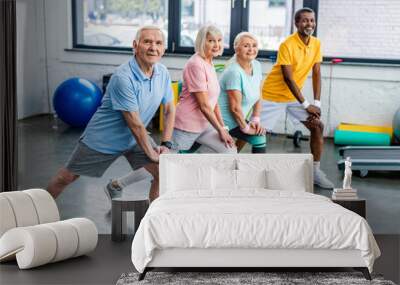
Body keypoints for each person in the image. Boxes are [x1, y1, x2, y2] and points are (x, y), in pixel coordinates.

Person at [47, 26, 175, 203]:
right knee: (66, 178)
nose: (153, 47)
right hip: (104, 139)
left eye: (158, 43)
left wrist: (166, 143)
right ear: (135, 46)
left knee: (163, 174)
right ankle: (35, 212)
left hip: (135, 139)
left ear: (163, 49)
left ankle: (153, 222)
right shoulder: (123, 77)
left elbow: (169, 109)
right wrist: (152, 155)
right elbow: (134, 123)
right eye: (147, 42)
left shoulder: (163, 73)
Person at [104, 25, 236, 197]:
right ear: (202, 42)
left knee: (229, 150)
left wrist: (223, 128)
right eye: (211, 41)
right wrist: (220, 129)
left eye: (219, 41)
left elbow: (214, 102)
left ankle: (209, 190)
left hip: (204, 125)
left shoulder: (210, 63)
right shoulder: (196, 64)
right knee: (161, 166)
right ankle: (116, 184)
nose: (216, 45)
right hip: (186, 126)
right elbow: (204, 105)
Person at [260, 8, 334, 189]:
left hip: (293, 97)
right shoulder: (287, 44)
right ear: (296, 23)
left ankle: (315, 172)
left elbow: (317, 72)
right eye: (305, 21)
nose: (309, 24)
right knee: (252, 132)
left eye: (312, 20)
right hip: (272, 95)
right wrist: (306, 104)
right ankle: (230, 159)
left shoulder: (316, 44)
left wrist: (316, 103)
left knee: (317, 126)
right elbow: (288, 78)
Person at [218, 32, 267, 153]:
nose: (251, 49)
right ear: (236, 49)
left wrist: (255, 119)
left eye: (254, 45)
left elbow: (259, 95)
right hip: (224, 121)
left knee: (255, 134)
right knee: (259, 138)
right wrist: (245, 128)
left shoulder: (256, 65)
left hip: (238, 118)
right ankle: (255, 170)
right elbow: (234, 108)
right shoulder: (234, 72)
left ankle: (233, 160)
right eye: (246, 46)